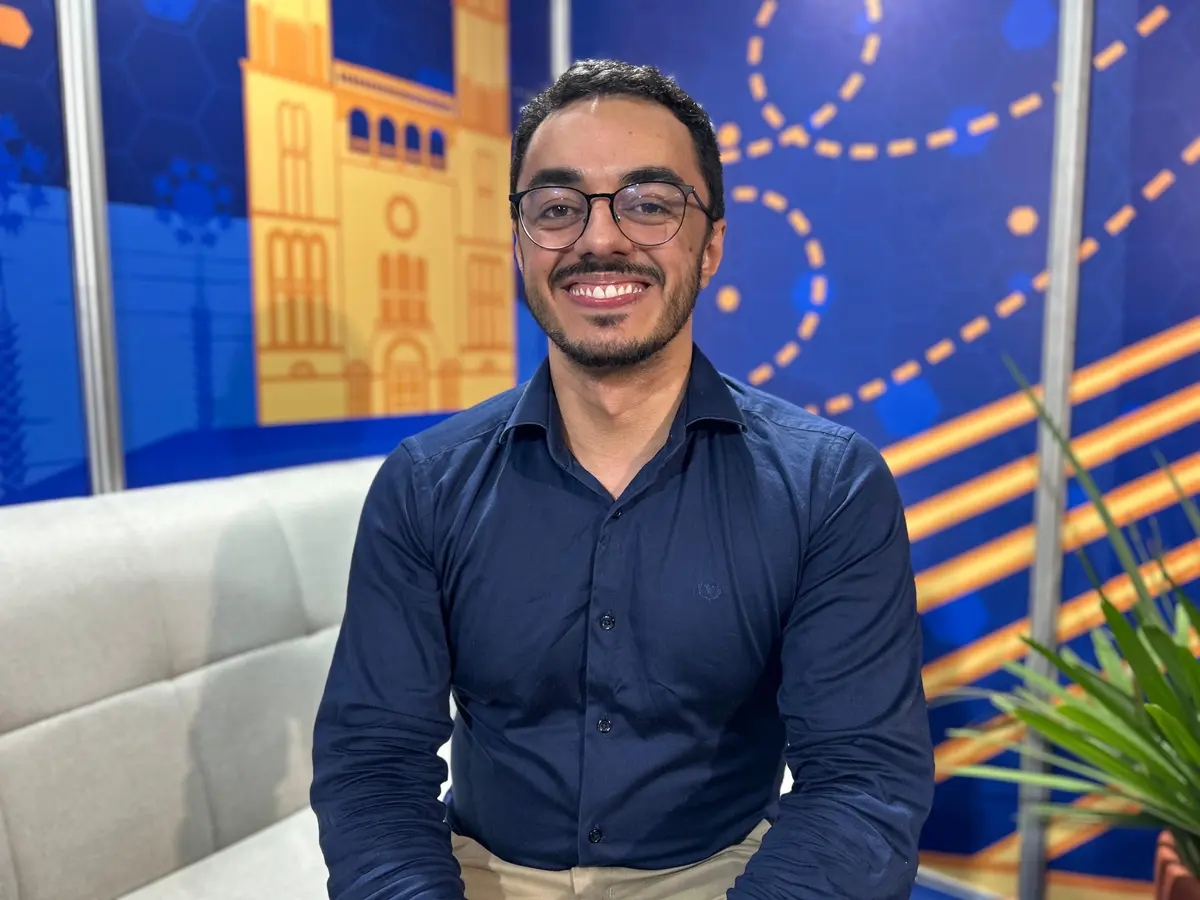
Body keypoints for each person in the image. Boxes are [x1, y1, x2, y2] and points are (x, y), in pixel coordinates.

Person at [311, 59, 934, 900]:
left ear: (710, 246)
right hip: (481, 873)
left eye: (649, 203)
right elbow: (373, 764)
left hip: (725, 874)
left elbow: (863, 777)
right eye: (557, 208)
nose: (599, 240)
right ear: (520, 244)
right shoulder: (425, 485)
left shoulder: (830, 486)